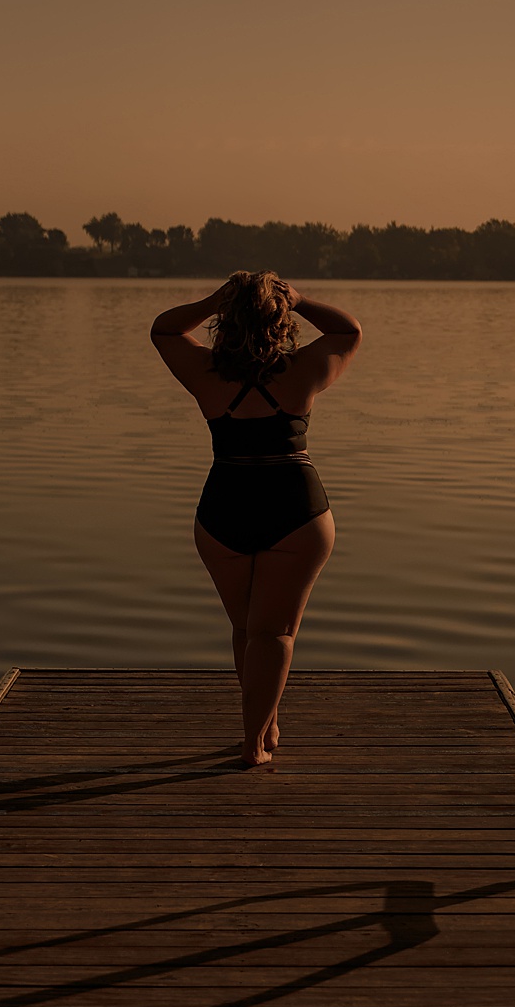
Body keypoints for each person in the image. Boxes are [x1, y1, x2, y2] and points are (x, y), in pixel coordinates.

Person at [151, 273, 361, 766]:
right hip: (295, 509)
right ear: (280, 319)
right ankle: (253, 745)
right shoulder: (304, 367)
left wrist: (210, 300)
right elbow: (348, 331)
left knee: (248, 629)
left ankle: (263, 725)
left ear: (227, 318)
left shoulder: (205, 372)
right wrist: (302, 300)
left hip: (225, 506)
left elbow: (163, 330)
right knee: (274, 632)